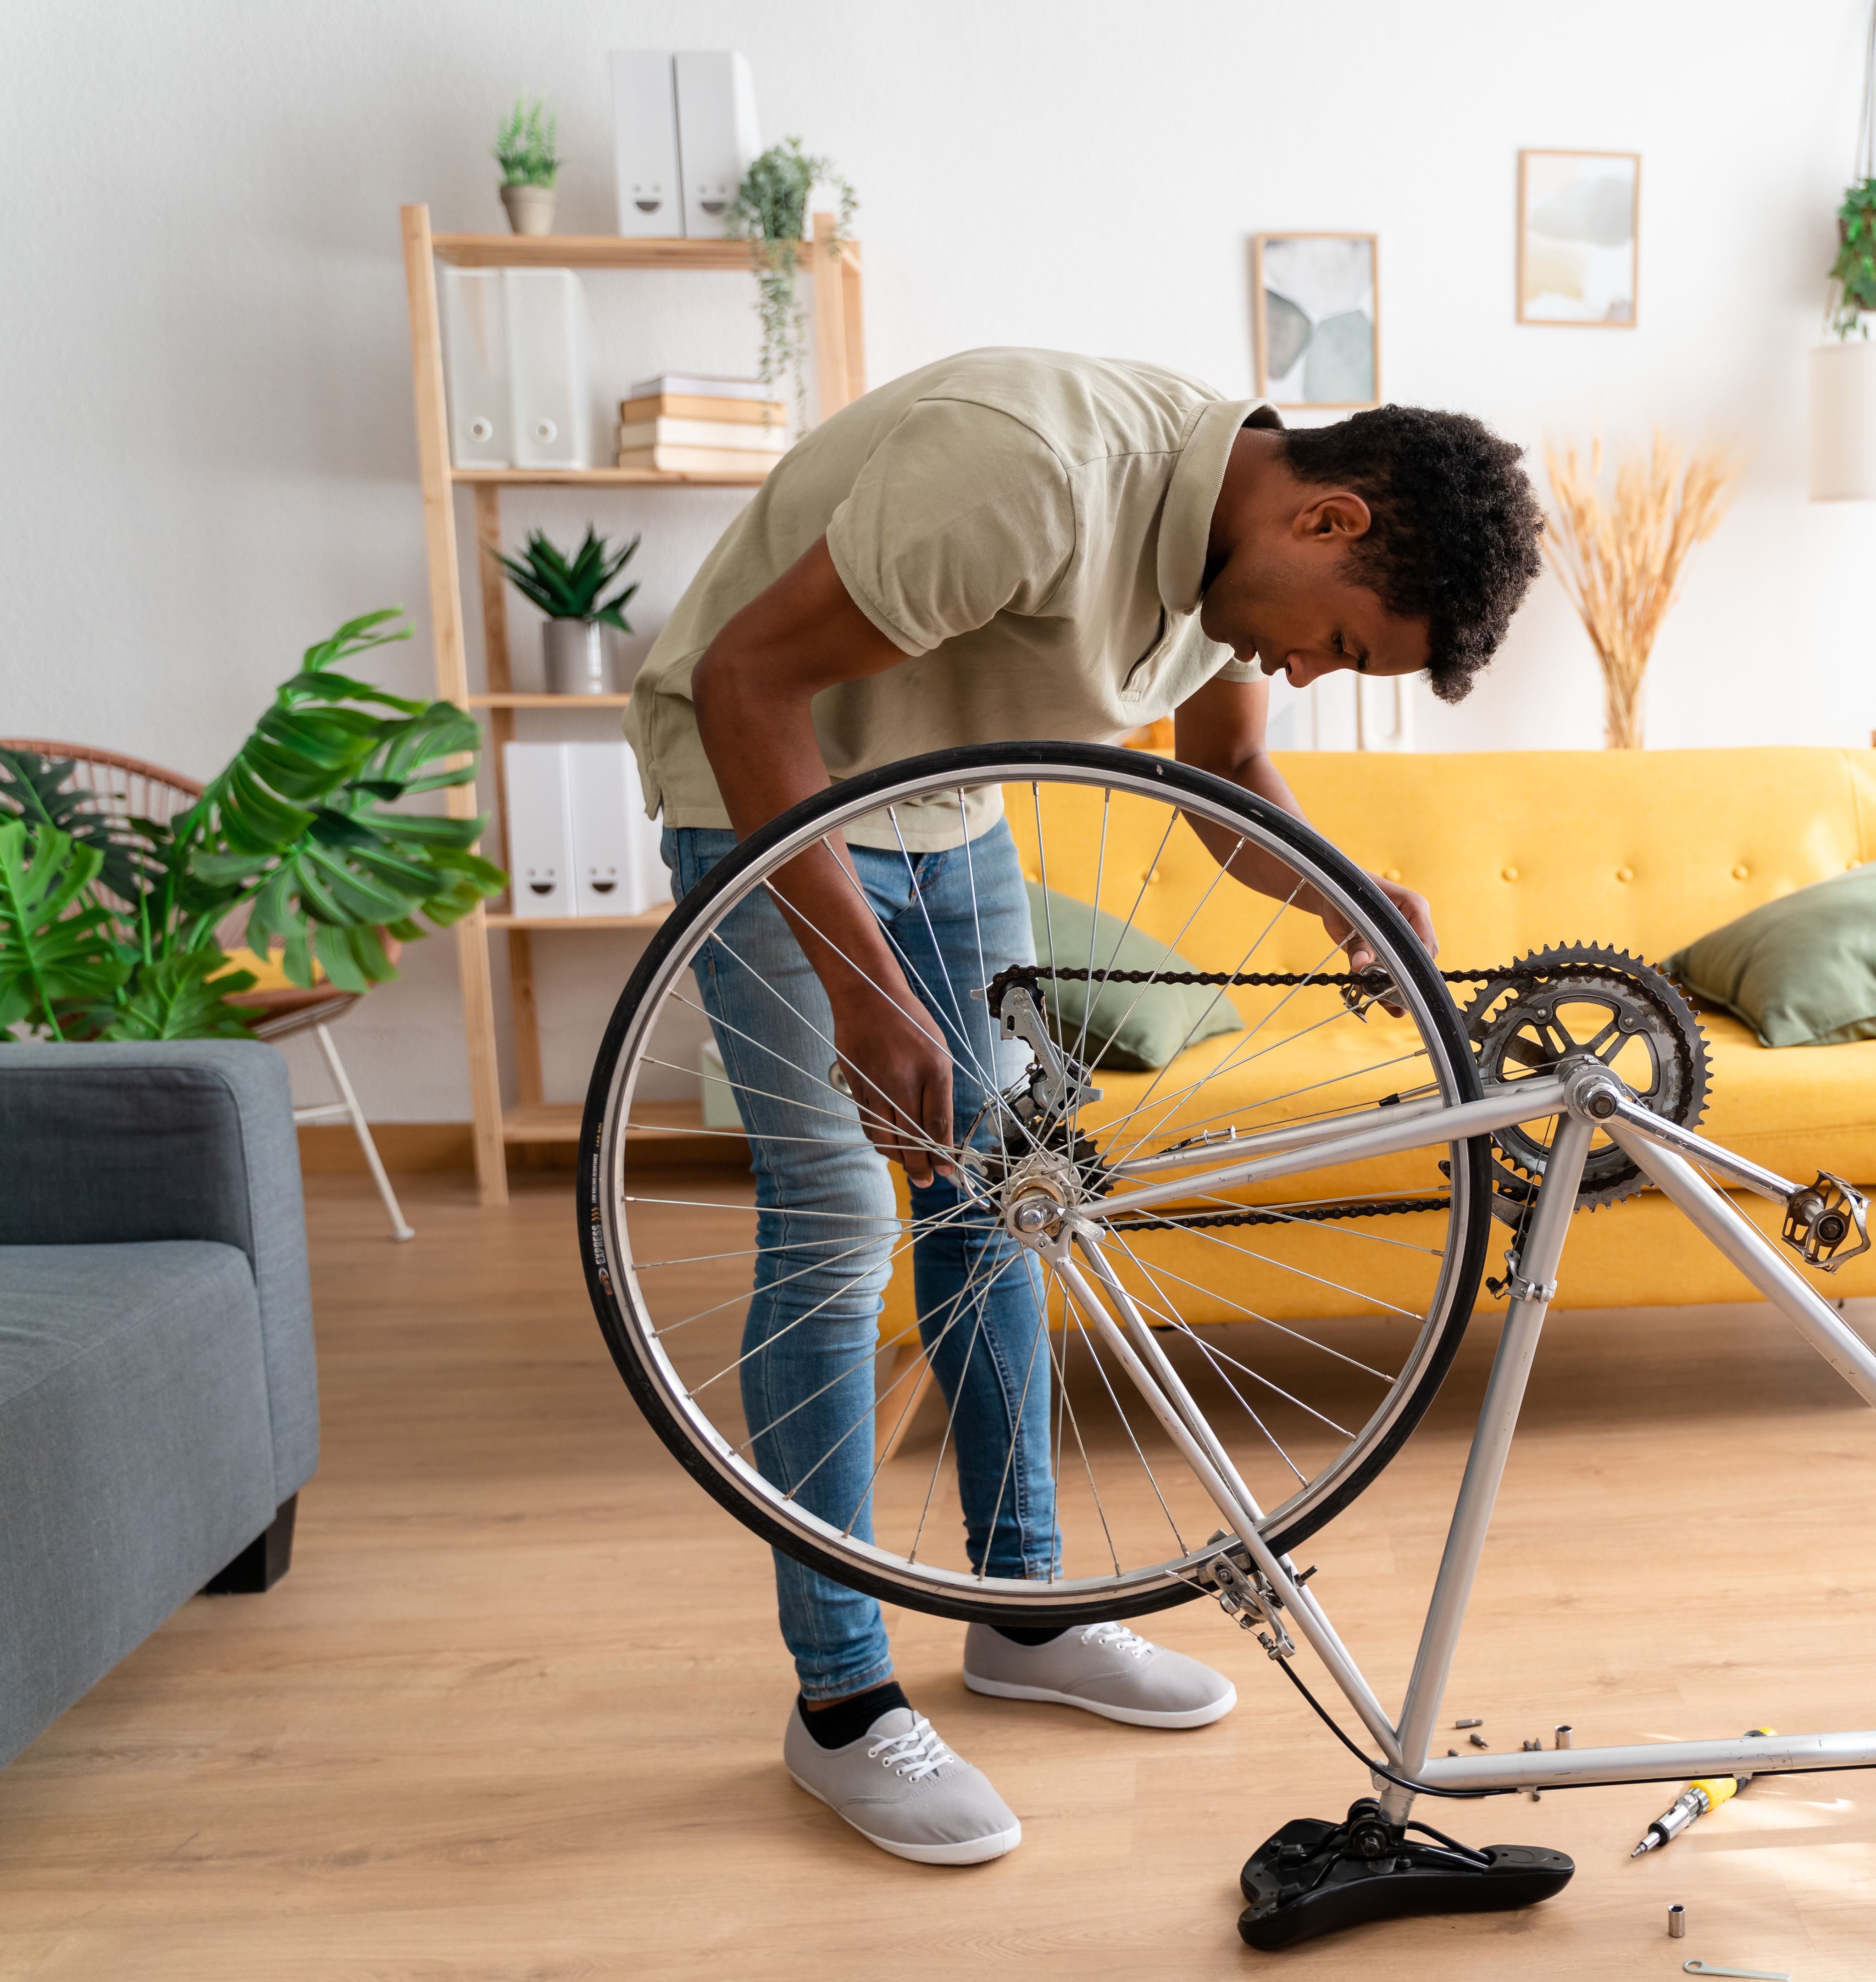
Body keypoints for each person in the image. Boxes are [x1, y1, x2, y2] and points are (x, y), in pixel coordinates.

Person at [622, 349, 1542, 1865]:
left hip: (947, 811)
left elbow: (1231, 776)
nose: (1306, 673)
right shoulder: (1030, 474)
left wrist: (1346, 901)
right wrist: (865, 993)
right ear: (1327, 521)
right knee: (841, 1211)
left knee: (1002, 1198)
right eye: (1338, 648)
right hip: (765, 785)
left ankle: (1022, 1615)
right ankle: (841, 1702)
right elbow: (744, 682)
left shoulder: (1233, 552)